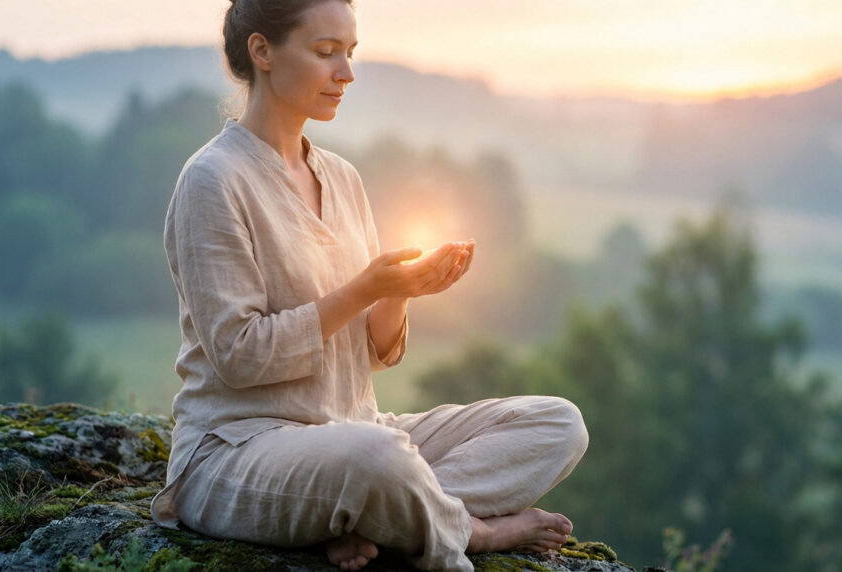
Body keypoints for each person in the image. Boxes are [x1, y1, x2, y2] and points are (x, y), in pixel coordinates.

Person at [149, 0, 588, 570]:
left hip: (351, 426)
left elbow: (370, 354)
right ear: (262, 52)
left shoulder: (341, 177)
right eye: (326, 52)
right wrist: (361, 289)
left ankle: (380, 517)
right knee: (377, 458)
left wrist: (400, 290)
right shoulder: (213, 181)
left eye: (350, 53)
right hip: (238, 450)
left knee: (555, 424)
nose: (347, 73)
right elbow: (239, 356)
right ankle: (471, 532)